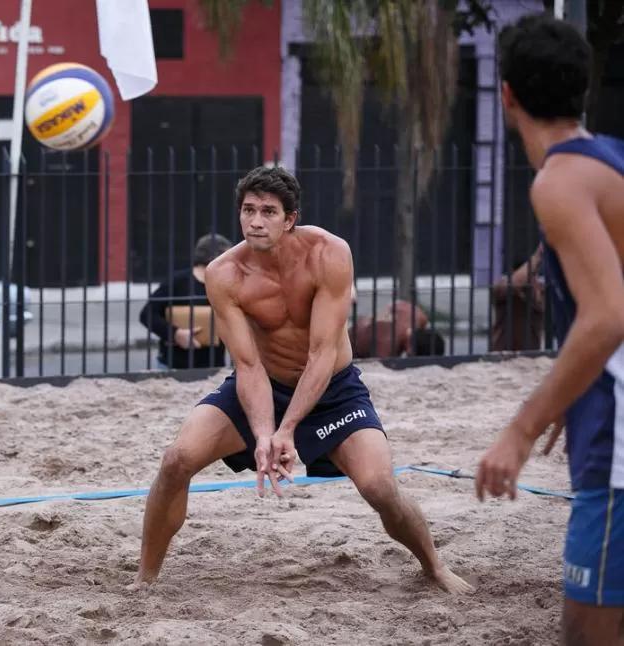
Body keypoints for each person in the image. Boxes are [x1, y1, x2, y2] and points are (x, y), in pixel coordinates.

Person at [134, 164, 472, 594]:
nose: (255, 221)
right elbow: (249, 365)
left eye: (269, 212)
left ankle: (434, 566)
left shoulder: (329, 253)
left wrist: (288, 428)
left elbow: (322, 353)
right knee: (177, 459)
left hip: (332, 389)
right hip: (263, 385)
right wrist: (263, 435)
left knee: (379, 486)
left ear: (290, 219)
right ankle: (145, 577)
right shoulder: (224, 274)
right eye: (248, 210)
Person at [474, 13, 624, 646]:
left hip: (619, 441)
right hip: (605, 403)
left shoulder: (558, 181)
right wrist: (574, 389)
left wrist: (520, 429)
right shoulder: (608, 158)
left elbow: (609, 314)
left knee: (584, 633)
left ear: (506, 93)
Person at [139, 233, 233, 370]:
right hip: (172, 367)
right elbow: (147, 314)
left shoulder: (225, 285)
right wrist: (176, 334)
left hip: (214, 367)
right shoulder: (177, 282)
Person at [490, 243, 545, 352]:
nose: (534, 279)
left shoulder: (539, 290)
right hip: (502, 355)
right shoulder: (501, 286)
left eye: (535, 275)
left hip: (531, 357)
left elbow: (539, 302)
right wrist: (537, 257)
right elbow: (514, 284)